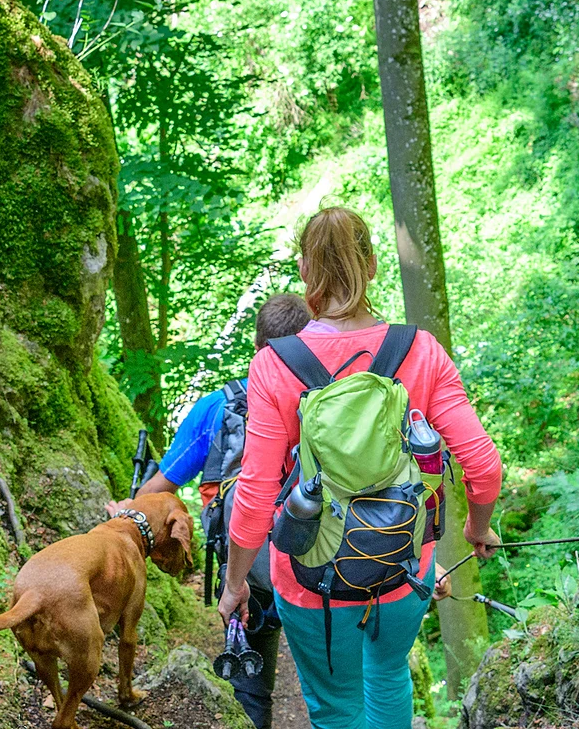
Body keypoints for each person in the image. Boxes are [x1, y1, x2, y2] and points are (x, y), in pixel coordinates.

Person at [219, 207, 504, 729]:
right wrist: (476, 528)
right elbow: (482, 464)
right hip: (402, 563)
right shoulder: (420, 351)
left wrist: (236, 582)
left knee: (336, 707)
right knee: (390, 673)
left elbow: (257, 492)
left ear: (305, 269)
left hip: (311, 578)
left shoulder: (273, 364)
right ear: (371, 264)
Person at [126, 292, 313, 729]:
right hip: (323, 560)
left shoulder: (219, 406)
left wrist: (126, 508)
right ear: (309, 342)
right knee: (334, 683)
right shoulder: (333, 400)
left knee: (252, 681)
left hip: (248, 565)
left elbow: (165, 483)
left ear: (257, 344)